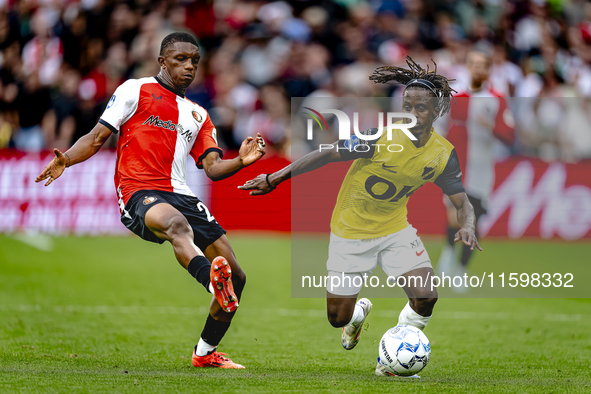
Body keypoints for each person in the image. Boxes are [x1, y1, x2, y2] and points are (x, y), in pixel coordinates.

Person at [239, 56, 482, 377]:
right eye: (406, 106)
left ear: (436, 111)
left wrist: (467, 223)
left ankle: (390, 362)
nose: (411, 113)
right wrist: (274, 178)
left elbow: (461, 199)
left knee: (426, 296)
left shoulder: (442, 154)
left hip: (395, 229)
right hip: (350, 232)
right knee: (337, 317)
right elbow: (326, 154)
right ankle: (355, 316)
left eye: (420, 108)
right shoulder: (379, 138)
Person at [35, 32, 266, 369]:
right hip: (138, 191)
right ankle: (210, 281)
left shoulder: (199, 114)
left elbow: (213, 168)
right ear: (162, 61)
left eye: (195, 62)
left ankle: (205, 353)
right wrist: (66, 159)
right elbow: (97, 136)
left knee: (238, 276)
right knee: (176, 226)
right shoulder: (135, 89)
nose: (189, 67)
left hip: (182, 194)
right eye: (180, 59)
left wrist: (242, 162)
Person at [437, 50, 513, 285]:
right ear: (468, 67)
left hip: (481, 172)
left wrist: (489, 125)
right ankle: (447, 257)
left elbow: (510, 134)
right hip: (456, 168)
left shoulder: (497, 99)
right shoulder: (455, 97)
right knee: (453, 216)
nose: (478, 69)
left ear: (489, 70)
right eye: (474, 64)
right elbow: (439, 127)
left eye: (483, 65)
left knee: (473, 222)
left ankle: (461, 270)